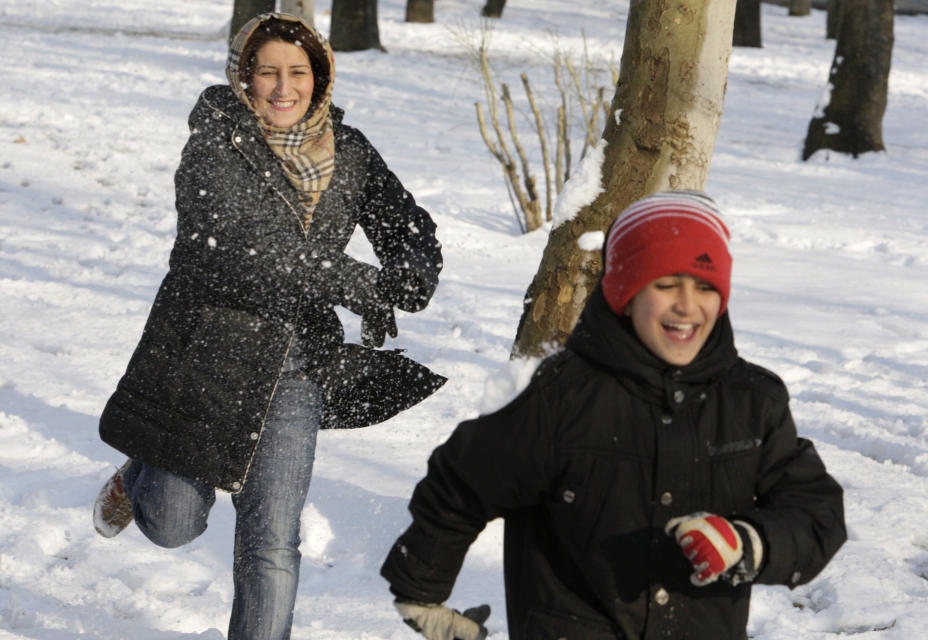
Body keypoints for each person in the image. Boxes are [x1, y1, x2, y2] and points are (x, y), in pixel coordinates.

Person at [93, 12, 445, 640]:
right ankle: (135, 477)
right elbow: (242, 252)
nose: (284, 88)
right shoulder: (215, 142)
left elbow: (410, 227)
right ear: (244, 78)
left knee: (273, 546)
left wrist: (407, 276)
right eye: (267, 72)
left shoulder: (351, 152)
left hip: (297, 367)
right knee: (174, 523)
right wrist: (358, 284)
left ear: (321, 77)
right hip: (207, 356)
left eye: (298, 72)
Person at [380, 190, 846, 640]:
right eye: (666, 284)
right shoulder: (563, 397)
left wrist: (747, 543)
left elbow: (816, 512)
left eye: (705, 286)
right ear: (626, 291)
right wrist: (421, 592)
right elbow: (463, 481)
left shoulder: (751, 400)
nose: (687, 305)